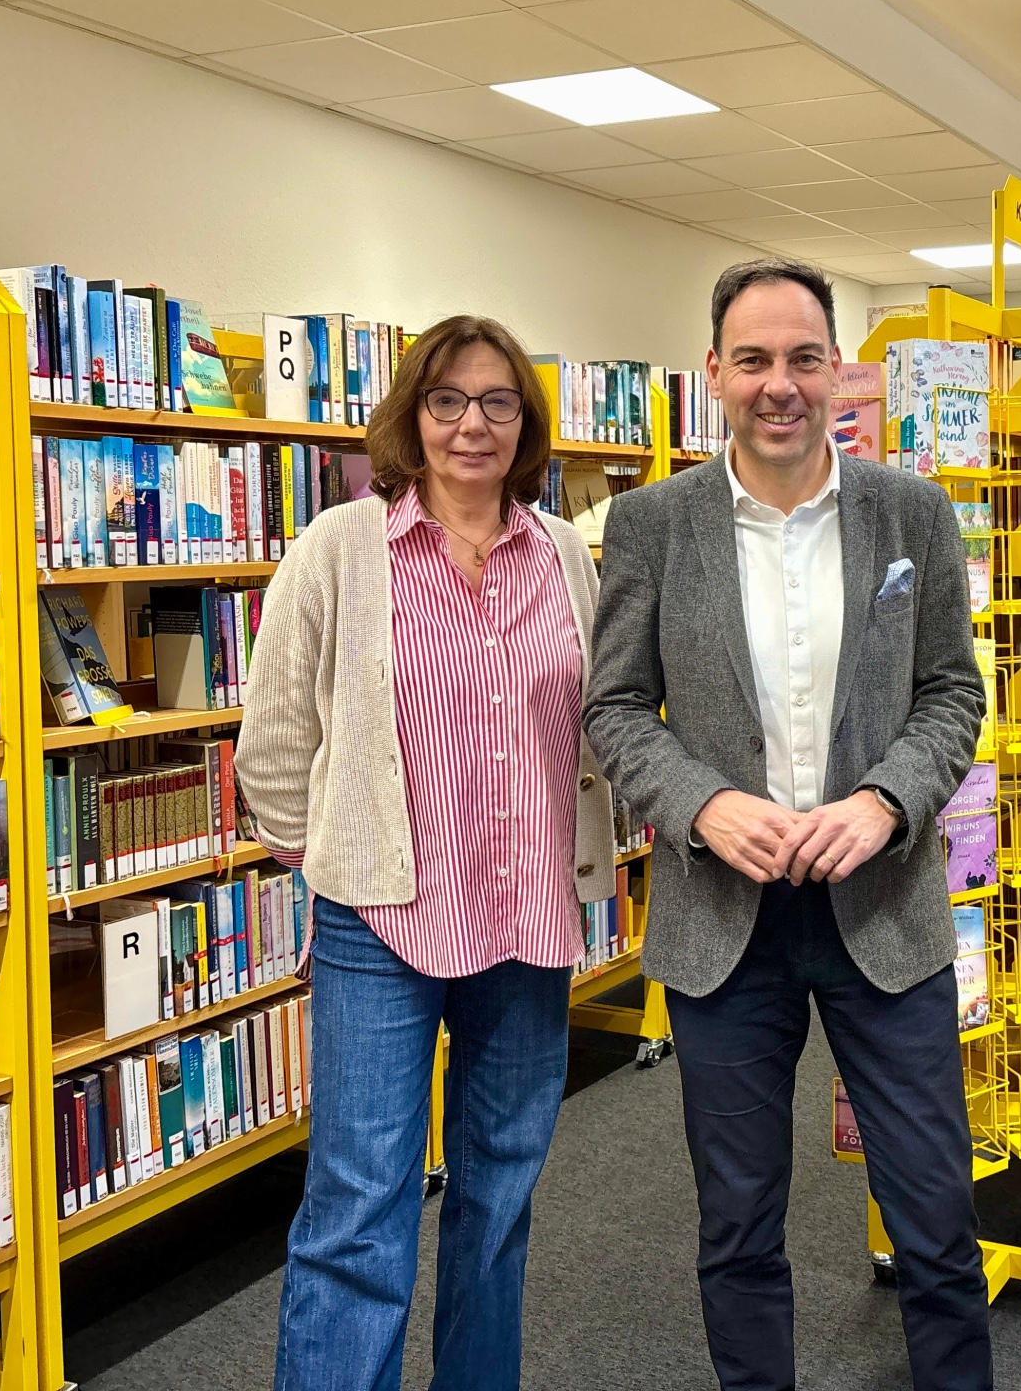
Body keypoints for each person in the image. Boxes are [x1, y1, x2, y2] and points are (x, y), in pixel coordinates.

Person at [584, 258, 991, 1391]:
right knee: (739, 1226)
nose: (780, 384)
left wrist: (884, 800)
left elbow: (954, 692)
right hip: (725, 925)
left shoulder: (912, 510)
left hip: (885, 910)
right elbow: (615, 708)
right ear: (712, 372)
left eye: (803, 358)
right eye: (753, 360)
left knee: (936, 1220)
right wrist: (704, 804)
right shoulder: (653, 524)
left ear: (835, 371)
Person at [237, 315, 617, 1391]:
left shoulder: (563, 560)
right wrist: (332, 850)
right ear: (411, 415)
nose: (471, 425)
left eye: (499, 402)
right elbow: (273, 746)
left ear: (526, 424)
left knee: (498, 1201)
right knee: (360, 1210)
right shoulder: (339, 551)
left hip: (527, 922)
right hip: (380, 926)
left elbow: (595, 730)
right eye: (448, 400)